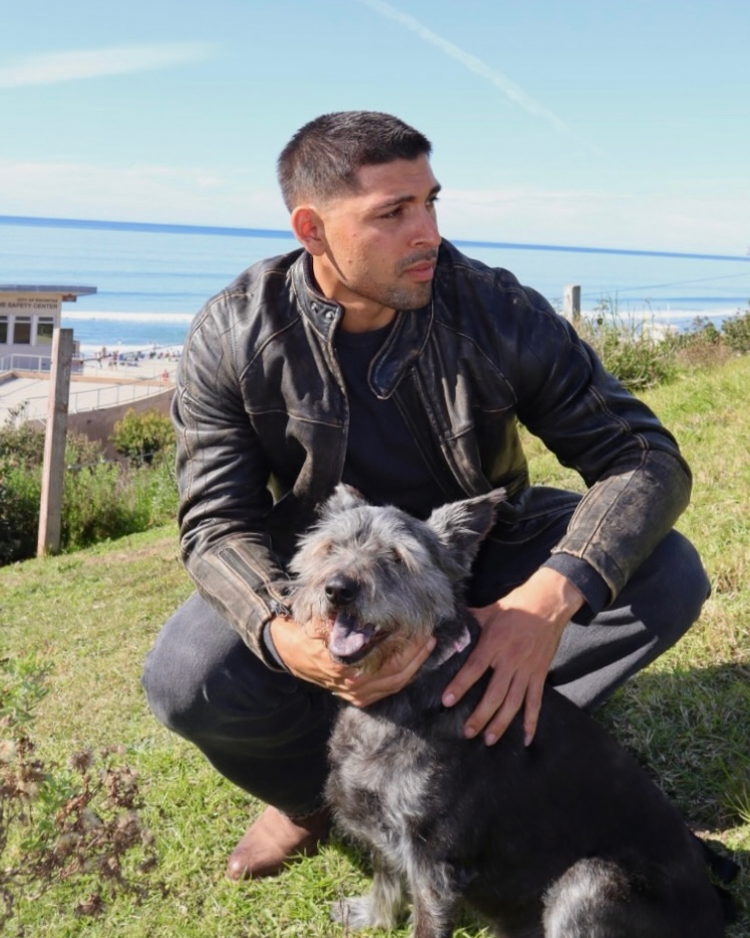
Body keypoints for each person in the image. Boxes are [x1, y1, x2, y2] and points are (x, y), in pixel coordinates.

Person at [142, 111, 710, 881]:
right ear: (312, 228)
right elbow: (216, 524)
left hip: (477, 546)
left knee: (665, 573)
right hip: (323, 567)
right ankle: (310, 796)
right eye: (394, 213)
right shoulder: (233, 333)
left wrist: (540, 605)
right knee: (186, 676)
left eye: (431, 202)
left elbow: (643, 457)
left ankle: (478, 747)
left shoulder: (496, 309)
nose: (429, 232)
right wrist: (282, 632)